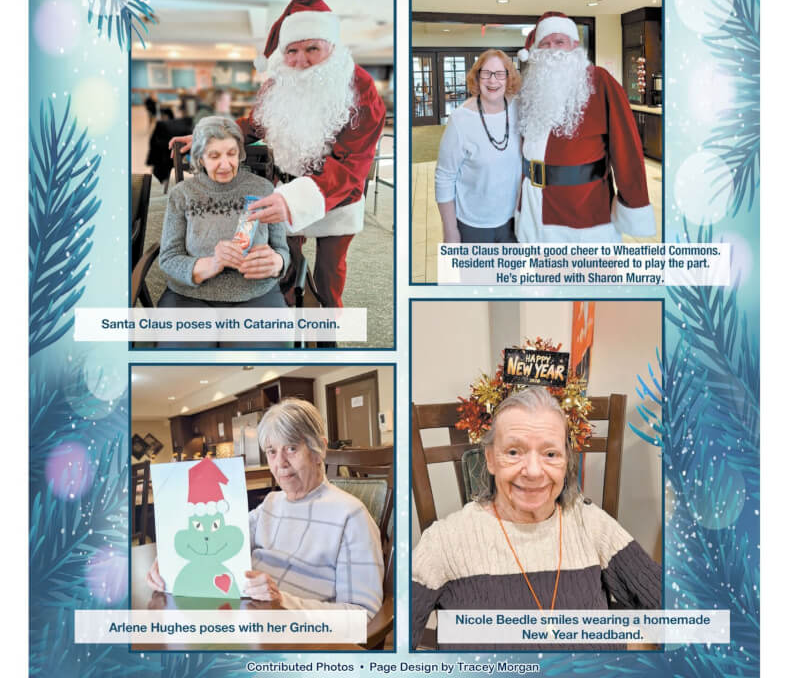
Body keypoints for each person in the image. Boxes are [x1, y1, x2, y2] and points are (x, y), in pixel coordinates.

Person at [171, 0, 387, 309]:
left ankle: (328, 328)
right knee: (285, 261)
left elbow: (352, 164)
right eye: (292, 51)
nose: (300, 60)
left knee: (330, 272)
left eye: (312, 48)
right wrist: (209, 137)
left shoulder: (360, 88)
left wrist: (295, 200)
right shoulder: (278, 82)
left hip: (336, 195)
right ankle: (288, 309)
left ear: (332, 46)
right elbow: (254, 125)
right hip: (284, 185)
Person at [411, 387, 661, 649]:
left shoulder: (592, 525)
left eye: (550, 454)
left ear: (566, 462)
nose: (532, 471)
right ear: (490, 459)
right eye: (514, 452)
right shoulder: (444, 542)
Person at [147, 398, 385, 617]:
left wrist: (282, 601)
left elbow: (361, 615)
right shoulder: (270, 504)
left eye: (291, 448)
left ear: (319, 450)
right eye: (272, 452)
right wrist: (171, 562)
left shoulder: (350, 516)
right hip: (244, 616)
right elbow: (218, 540)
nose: (280, 463)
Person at [515, 11, 655, 242]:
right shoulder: (531, 88)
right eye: (545, 44)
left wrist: (634, 201)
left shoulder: (600, 81)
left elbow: (626, 147)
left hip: (584, 211)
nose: (553, 49)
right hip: (531, 204)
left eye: (559, 42)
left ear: (575, 45)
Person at [157, 116, 291, 346]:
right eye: (214, 156)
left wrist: (277, 262)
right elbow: (168, 258)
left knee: (258, 362)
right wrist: (211, 264)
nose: (225, 164)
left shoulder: (263, 189)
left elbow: (282, 250)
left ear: (240, 153)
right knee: (181, 356)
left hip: (255, 294)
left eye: (231, 153)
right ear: (199, 158)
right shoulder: (182, 194)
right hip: (190, 296)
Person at [434, 50, 522, 243]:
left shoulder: (519, 109)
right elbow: (444, 177)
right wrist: (450, 231)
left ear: (508, 78)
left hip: (515, 221)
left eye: (500, 74)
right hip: (474, 225)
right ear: (477, 76)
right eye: (486, 73)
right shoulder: (460, 119)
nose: (493, 81)